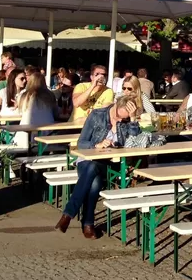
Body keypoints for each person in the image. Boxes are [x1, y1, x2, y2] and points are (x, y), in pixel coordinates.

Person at [56, 94, 141, 238]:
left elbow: (135, 142)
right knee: (94, 181)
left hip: (109, 164)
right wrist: (97, 145)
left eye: (124, 119)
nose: (121, 121)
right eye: (119, 117)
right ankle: (88, 223)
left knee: (94, 169)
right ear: (115, 106)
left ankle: (69, 214)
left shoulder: (127, 121)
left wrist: (132, 119)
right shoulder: (96, 115)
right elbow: (81, 143)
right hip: (86, 160)